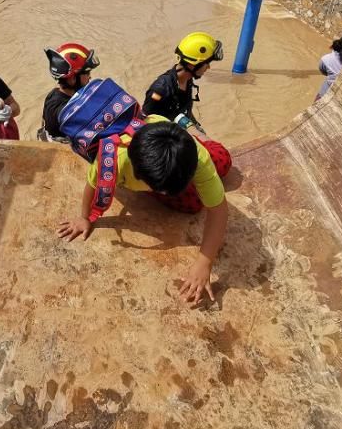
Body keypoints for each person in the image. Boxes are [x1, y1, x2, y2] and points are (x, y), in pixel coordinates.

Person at [56, 79, 231, 307]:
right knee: (192, 205)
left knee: (224, 161)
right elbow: (92, 184)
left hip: (166, 135)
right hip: (149, 148)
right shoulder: (112, 161)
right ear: (139, 175)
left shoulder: (198, 157)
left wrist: (204, 263)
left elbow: (219, 211)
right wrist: (84, 217)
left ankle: (192, 130)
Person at [142, 32, 223, 131]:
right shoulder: (160, 90)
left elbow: (184, 110)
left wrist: (196, 127)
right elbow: (146, 121)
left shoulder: (187, 79)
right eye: (207, 63)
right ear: (192, 65)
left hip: (182, 129)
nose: (209, 67)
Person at [37, 42, 99, 142]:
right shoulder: (67, 112)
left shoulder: (53, 94)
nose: (90, 77)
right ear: (72, 79)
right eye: (87, 73)